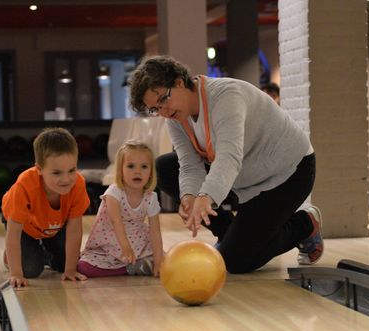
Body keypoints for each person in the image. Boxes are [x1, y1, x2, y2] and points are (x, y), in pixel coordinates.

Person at [128, 55, 323, 274]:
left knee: (235, 262)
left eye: (163, 100)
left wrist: (205, 197)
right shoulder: (175, 117)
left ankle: (305, 224)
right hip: (244, 176)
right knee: (164, 168)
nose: (163, 111)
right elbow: (189, 165)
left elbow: (229, 157)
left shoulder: (226, 97)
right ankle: (229, 234)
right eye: (155, 109)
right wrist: (188, 196)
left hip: (287, 174)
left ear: (179, 82)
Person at [1, 127, 90, 288]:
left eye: (72, 170)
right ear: (39, 169)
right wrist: (16, 274)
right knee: (30, 270)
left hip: (54, 226)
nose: (66, 179)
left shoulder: (78, 184)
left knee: (68, 263)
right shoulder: (24, 186)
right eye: (56, 173)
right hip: (24, 228)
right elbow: (13, 234)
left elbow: (74, 229)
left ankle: (46, 252)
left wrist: (70, 270)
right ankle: (13, 255)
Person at [78, 140, 164, 277]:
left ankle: (136, 265)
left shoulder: (151, 197)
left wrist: (159, 262)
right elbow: (116, 222)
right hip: (110, 241)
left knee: (164, 260)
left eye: (144, 167)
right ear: (120, 170)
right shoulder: (114, 193)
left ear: (151, 172)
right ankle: (130, 268)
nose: (137, 172)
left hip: (138, 241)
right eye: (131, 166)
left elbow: (155, 232)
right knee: (83, 267)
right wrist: (126, 247)